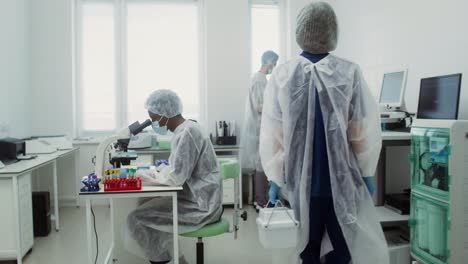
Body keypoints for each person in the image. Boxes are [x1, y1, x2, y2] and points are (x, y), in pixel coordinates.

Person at [259, 2, 389, 264]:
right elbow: (360, 132)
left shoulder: (283, 74)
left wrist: (275, 177)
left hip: (298, 183)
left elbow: (274, 135)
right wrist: (366, 172)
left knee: (306, 247)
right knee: (341, 249)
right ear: (333, 31)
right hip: (341, 183)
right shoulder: (348, 72)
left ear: (300, 31)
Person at [126, 89, 222, 264]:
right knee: (145, 204)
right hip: (197, 197)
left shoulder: (187, 133)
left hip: (201, 205)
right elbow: (177, 169)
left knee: (136, 219)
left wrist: (144, 177)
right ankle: (174, 259)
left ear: (165, 114)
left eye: (154, 119)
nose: (154, 123)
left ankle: (164, 261)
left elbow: (175, 179)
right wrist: (154, 173)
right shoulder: (186, 130)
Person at [241, 50, 279, 209]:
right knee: (261, 165)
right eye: (274, 63)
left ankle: (262, 199)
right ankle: (260, 201)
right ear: (268, 62)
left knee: (262, 164)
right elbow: (258, 106)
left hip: (261, 128)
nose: (274, 67)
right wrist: (278, 107)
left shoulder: (262, 79)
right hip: (258, 129)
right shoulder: (258, 80)